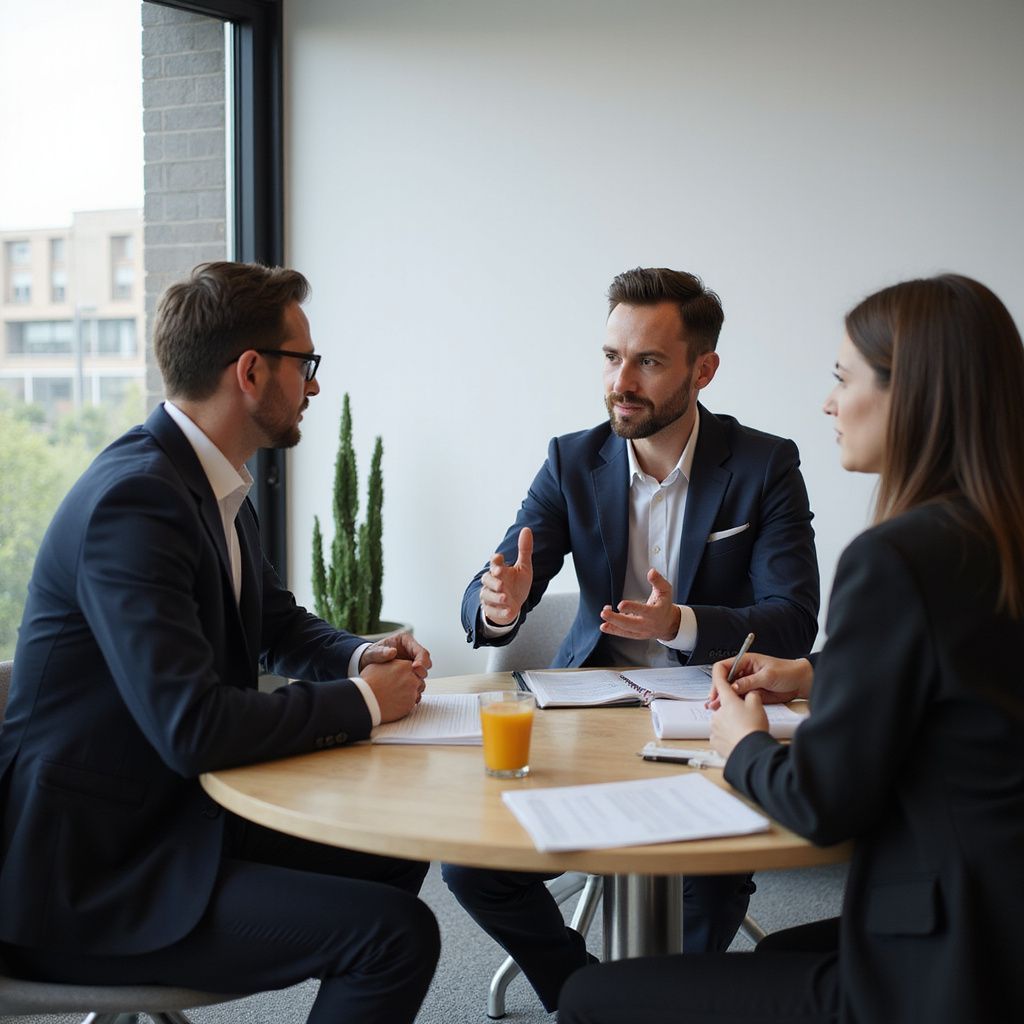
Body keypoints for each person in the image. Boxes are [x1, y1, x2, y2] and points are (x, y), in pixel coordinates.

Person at [558, 273, 1024, 1024]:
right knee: (773, 961)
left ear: (917, 394)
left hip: (943, 966)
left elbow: (822, 804)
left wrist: (741, 740)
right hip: (1003, 925)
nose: (829, 403)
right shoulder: (994, 534)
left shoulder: (897, 556)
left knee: (590, 999)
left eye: (843, 379)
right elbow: (966, 672)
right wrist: (814, 672)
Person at [0, 262, 440, 1024]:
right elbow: (192, 728)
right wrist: (365, 703)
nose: (313, 386)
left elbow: (270, 622)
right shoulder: (134, 502)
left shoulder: (213, 482)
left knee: (397, 845)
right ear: (250, 370)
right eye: (305, 365)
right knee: (394, 935)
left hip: (169, 822)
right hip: (90, 876)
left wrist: (357, 656)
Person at [445, 267, 820, 1011]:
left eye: (647, 361)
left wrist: (679, 625)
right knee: (469, 866)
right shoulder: (570, 460)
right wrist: (498, 604)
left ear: (702, 370)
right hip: (584, 720)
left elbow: (793, 618)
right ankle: (584, 991)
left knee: (704, 891)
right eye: (612, 357)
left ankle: (646, 1001)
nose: (622, 380)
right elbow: (488, 588)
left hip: (712, 719)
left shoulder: (763, 464)